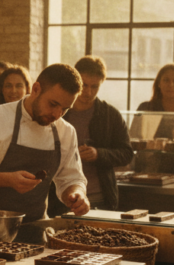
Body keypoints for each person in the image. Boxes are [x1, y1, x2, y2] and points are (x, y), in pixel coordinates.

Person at [0, 64, 90, 243]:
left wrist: (77, 195)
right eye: (53, 104)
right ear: (36, 89)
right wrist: (7, 180)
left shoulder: (65, 132)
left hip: (36, 234)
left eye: (65, 109)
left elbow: (71, 178)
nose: (57, 114)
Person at [48, 56, 134, 215]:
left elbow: (127, 153)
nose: (88, 92)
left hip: (100, 196)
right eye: (84, 85)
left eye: (94, 87)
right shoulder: (59, 111)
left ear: (101, 83)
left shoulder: (110, 114)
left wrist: (99, 154)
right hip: (62, 197)